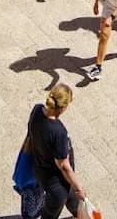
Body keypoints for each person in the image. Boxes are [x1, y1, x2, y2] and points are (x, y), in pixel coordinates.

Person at [26, 84, 87, 219]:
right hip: (56, 183)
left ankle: (79, 215)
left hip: (41, 169)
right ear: (63, 107)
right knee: (50, 213)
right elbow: (64, 166)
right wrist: (79, 188)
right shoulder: (58, 132)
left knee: (72, 199)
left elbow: (30, 133)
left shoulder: (36, 110)